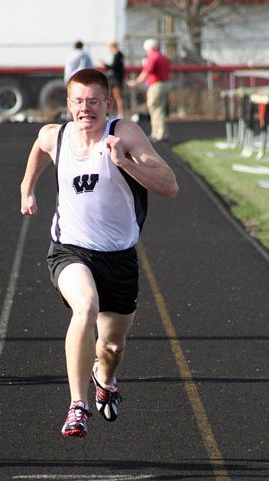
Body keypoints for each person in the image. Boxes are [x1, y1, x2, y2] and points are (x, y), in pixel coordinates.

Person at [20, 68, 178, 439]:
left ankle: (104, 379)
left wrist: (124, 161)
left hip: (119, 258)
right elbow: (40, 146)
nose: (85, 108)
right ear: (68, 103)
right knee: (86, 306)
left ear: (107, 103)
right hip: (70, 251)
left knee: (111, 346)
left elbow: (170, 186)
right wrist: (27, 188)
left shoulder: (125, 134)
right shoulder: (56, 135)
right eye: (78, 101)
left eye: (93, 101)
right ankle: (78, 405)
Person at [128, 39, 171, 142]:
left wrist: (136, 82)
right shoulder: (162, 56)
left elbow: (146, 71)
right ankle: (161, 133)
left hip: (157, 85)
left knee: (155, 108)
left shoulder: (153, 57)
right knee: (159, 109)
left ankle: (158, 134)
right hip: (165, 84)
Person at [102, 41, 125, 118]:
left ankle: (120, 113)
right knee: (112, 96)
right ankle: (113, 112)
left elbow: (114, 67)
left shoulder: (118, 55)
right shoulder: (118, 55)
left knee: (118, 96)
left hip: (116, 79)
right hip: (114, 78)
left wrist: (105, 64)